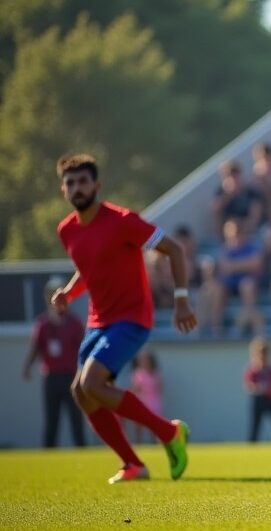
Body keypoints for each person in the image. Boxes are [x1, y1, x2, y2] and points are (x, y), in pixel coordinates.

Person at [50, 154, 194, 483]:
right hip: (97, 322)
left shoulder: (122, 220)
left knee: (92, 383)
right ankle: (133, 464)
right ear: (63, 189)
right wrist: (69, 293)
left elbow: (174, 249)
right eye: (70, 183)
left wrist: (182, 301)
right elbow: (90, 267)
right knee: (82, 393)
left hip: (132, 319)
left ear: (97, 185)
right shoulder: (67, 231)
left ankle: (168, 433)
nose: (77, 187)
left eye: (83, 181)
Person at [21, 277, 87, 448]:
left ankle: (82, 451)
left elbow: (84, 348)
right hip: (51, 377)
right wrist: (27, 367)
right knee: (52, 420)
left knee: (76, 418)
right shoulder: (43, 324)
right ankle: (49, 452)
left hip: (71, 376)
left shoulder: (74, 322)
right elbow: (36, 347)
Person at [244, 338, 271, 442]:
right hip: (259, 400)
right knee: (255, 427)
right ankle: (252, 447)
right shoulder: (253, 371)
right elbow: (249, 386)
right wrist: (262, 388)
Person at [127, 350, 164, 443]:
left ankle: (155, 444)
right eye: (142, 360)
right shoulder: (137, 374)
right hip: (141, 402)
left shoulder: (156, 374)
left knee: (154, 426)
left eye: (146, 360)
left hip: (154, 403)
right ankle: (138, 443)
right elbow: (134, 389)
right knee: (139, 425)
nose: (144, 362)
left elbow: (160, 388)